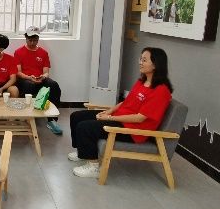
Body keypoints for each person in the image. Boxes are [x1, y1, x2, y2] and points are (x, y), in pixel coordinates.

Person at [68, 47, 173, 178]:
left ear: (155, 64)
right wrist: (109, 111)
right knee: (77, 116)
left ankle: (94, 168)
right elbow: (126, 102)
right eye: (140, 59)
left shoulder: (161, 91)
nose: (140, 62)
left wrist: (109, 118)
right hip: (120, 118)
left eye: (144, 60)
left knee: (85, 127)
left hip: (133, 131)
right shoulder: (142, 81)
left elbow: (140, 118)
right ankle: (82, 152)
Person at [15, 26, 62, 135]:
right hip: (25, 79)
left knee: (53, 85)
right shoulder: (18, 52)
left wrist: (43, 77)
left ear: (38, 39)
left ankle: (52, 120)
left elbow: (46, 72)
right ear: (26, 38)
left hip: (39, 79)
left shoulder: (43, 53)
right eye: (30, 40)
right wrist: (29, 77)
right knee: (29, 85)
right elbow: (18, 72)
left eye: (35, 40)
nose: (32, 43)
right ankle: (27, 116)